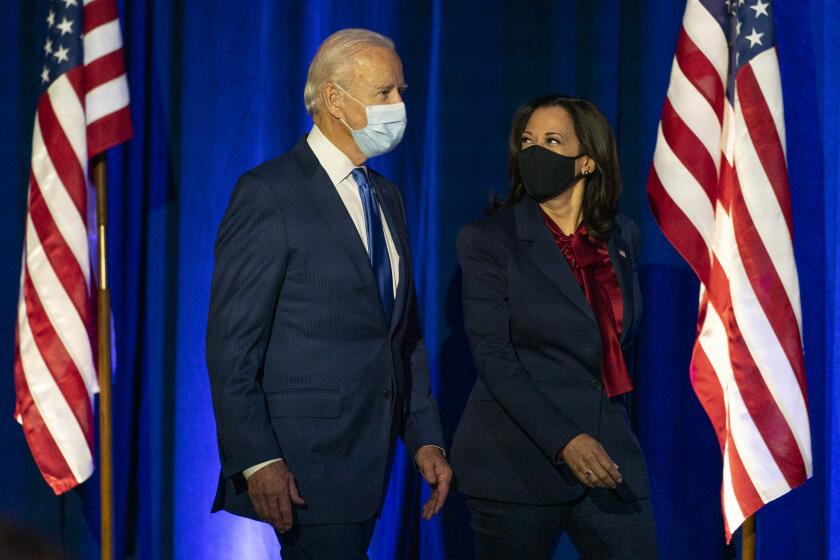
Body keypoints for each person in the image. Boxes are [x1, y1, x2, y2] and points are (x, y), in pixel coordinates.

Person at [206, 28, 452, 560]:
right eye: (385, 92)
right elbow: (232, 346)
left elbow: (401, 334)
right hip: (302, 467)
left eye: (401, 92)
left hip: (371, 460)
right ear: (336, 100)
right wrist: (257, 460)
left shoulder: (386, 196)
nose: (399, 105)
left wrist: (425, 435)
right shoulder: (269, 192)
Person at [450, 94, 658, 559]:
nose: (533, 153)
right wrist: (566, 440)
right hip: (515, 461)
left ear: (587, 162)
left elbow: (616, 348)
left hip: (607, 455)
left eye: (551, 140)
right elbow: (494, 358)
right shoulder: (488, 240)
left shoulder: (622, 237)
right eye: (527, 141)